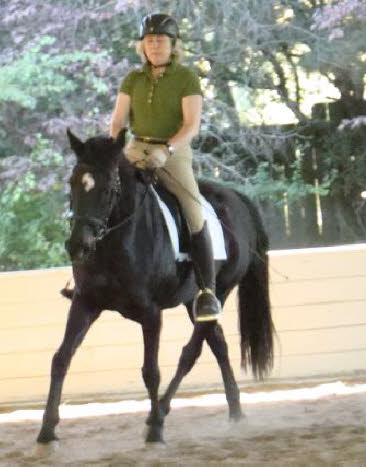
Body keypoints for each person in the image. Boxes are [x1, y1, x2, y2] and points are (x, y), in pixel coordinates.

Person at [109, 13, 221, 322]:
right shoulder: (132, 79)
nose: (155, 46)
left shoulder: (186, 78)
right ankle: (85, 275)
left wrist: (167, 149)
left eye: (161, 41)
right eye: (150, 41)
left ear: (174, 45)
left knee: (192, 208)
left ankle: (206, 292)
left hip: (173, 150)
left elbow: (192, 125)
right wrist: (113, 150)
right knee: (105, 197)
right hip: (136, 148)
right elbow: (118, 122)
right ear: (142, 46)